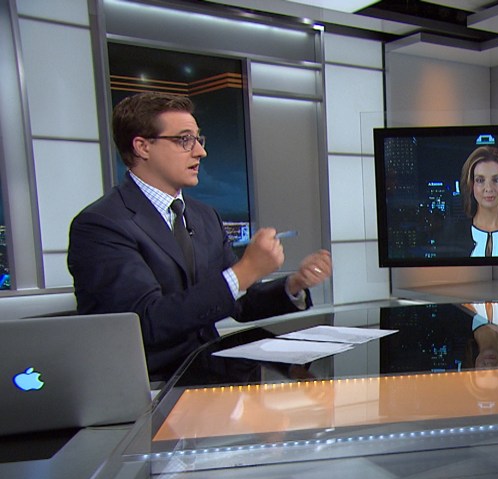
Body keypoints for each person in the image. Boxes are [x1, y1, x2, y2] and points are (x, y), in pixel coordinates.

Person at [68, 92, 332, 379]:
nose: (200, 152)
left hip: (211, 376)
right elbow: (145, 323)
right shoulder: (101, 224)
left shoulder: (204, 216)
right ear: (142, 146)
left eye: (198, 139)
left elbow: (238, 301)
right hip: (153, 387)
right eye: (184, 140)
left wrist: (294, 284)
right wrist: (245, 271)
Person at [439, 146, 498, 257]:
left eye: (496, 180)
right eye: (480, 180)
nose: (488, 188)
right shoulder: (452, 237)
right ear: (471, 185)